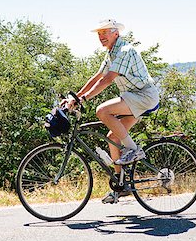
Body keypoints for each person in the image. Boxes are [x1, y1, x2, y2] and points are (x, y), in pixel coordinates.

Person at [64, 19, 160, 204]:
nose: (101, 36)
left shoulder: (124, 51)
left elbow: (107, 80)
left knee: (102, 110)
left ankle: (134, 150)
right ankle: (121, 185)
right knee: (113, 137)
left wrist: (84, 99)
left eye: (105, 32)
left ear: (116, 33)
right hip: (133, 97)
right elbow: (97, 77)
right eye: (99, 34)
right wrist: (75, 98)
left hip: (144, 96)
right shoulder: (111, 54)